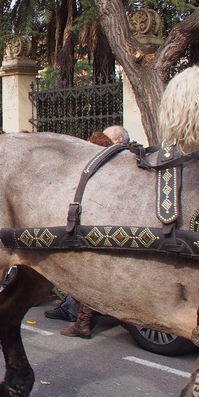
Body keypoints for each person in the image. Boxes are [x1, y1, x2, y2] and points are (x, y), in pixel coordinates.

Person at [44, 124, 130, 338]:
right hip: (99, 227)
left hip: (96, 229)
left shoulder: (102, 170)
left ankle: (82, 322)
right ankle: (81, 319)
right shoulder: (111, 167)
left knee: (84, 276)